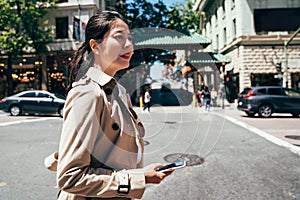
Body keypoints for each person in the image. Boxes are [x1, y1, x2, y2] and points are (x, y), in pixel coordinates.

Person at [45, 11, 172, 200]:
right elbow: (70, 177)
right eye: (119, 37)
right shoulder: (87, 93)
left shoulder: (120, 92)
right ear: (95, 46)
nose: (129, 45)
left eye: (130, 38)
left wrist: (142, 173)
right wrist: (139, 178)